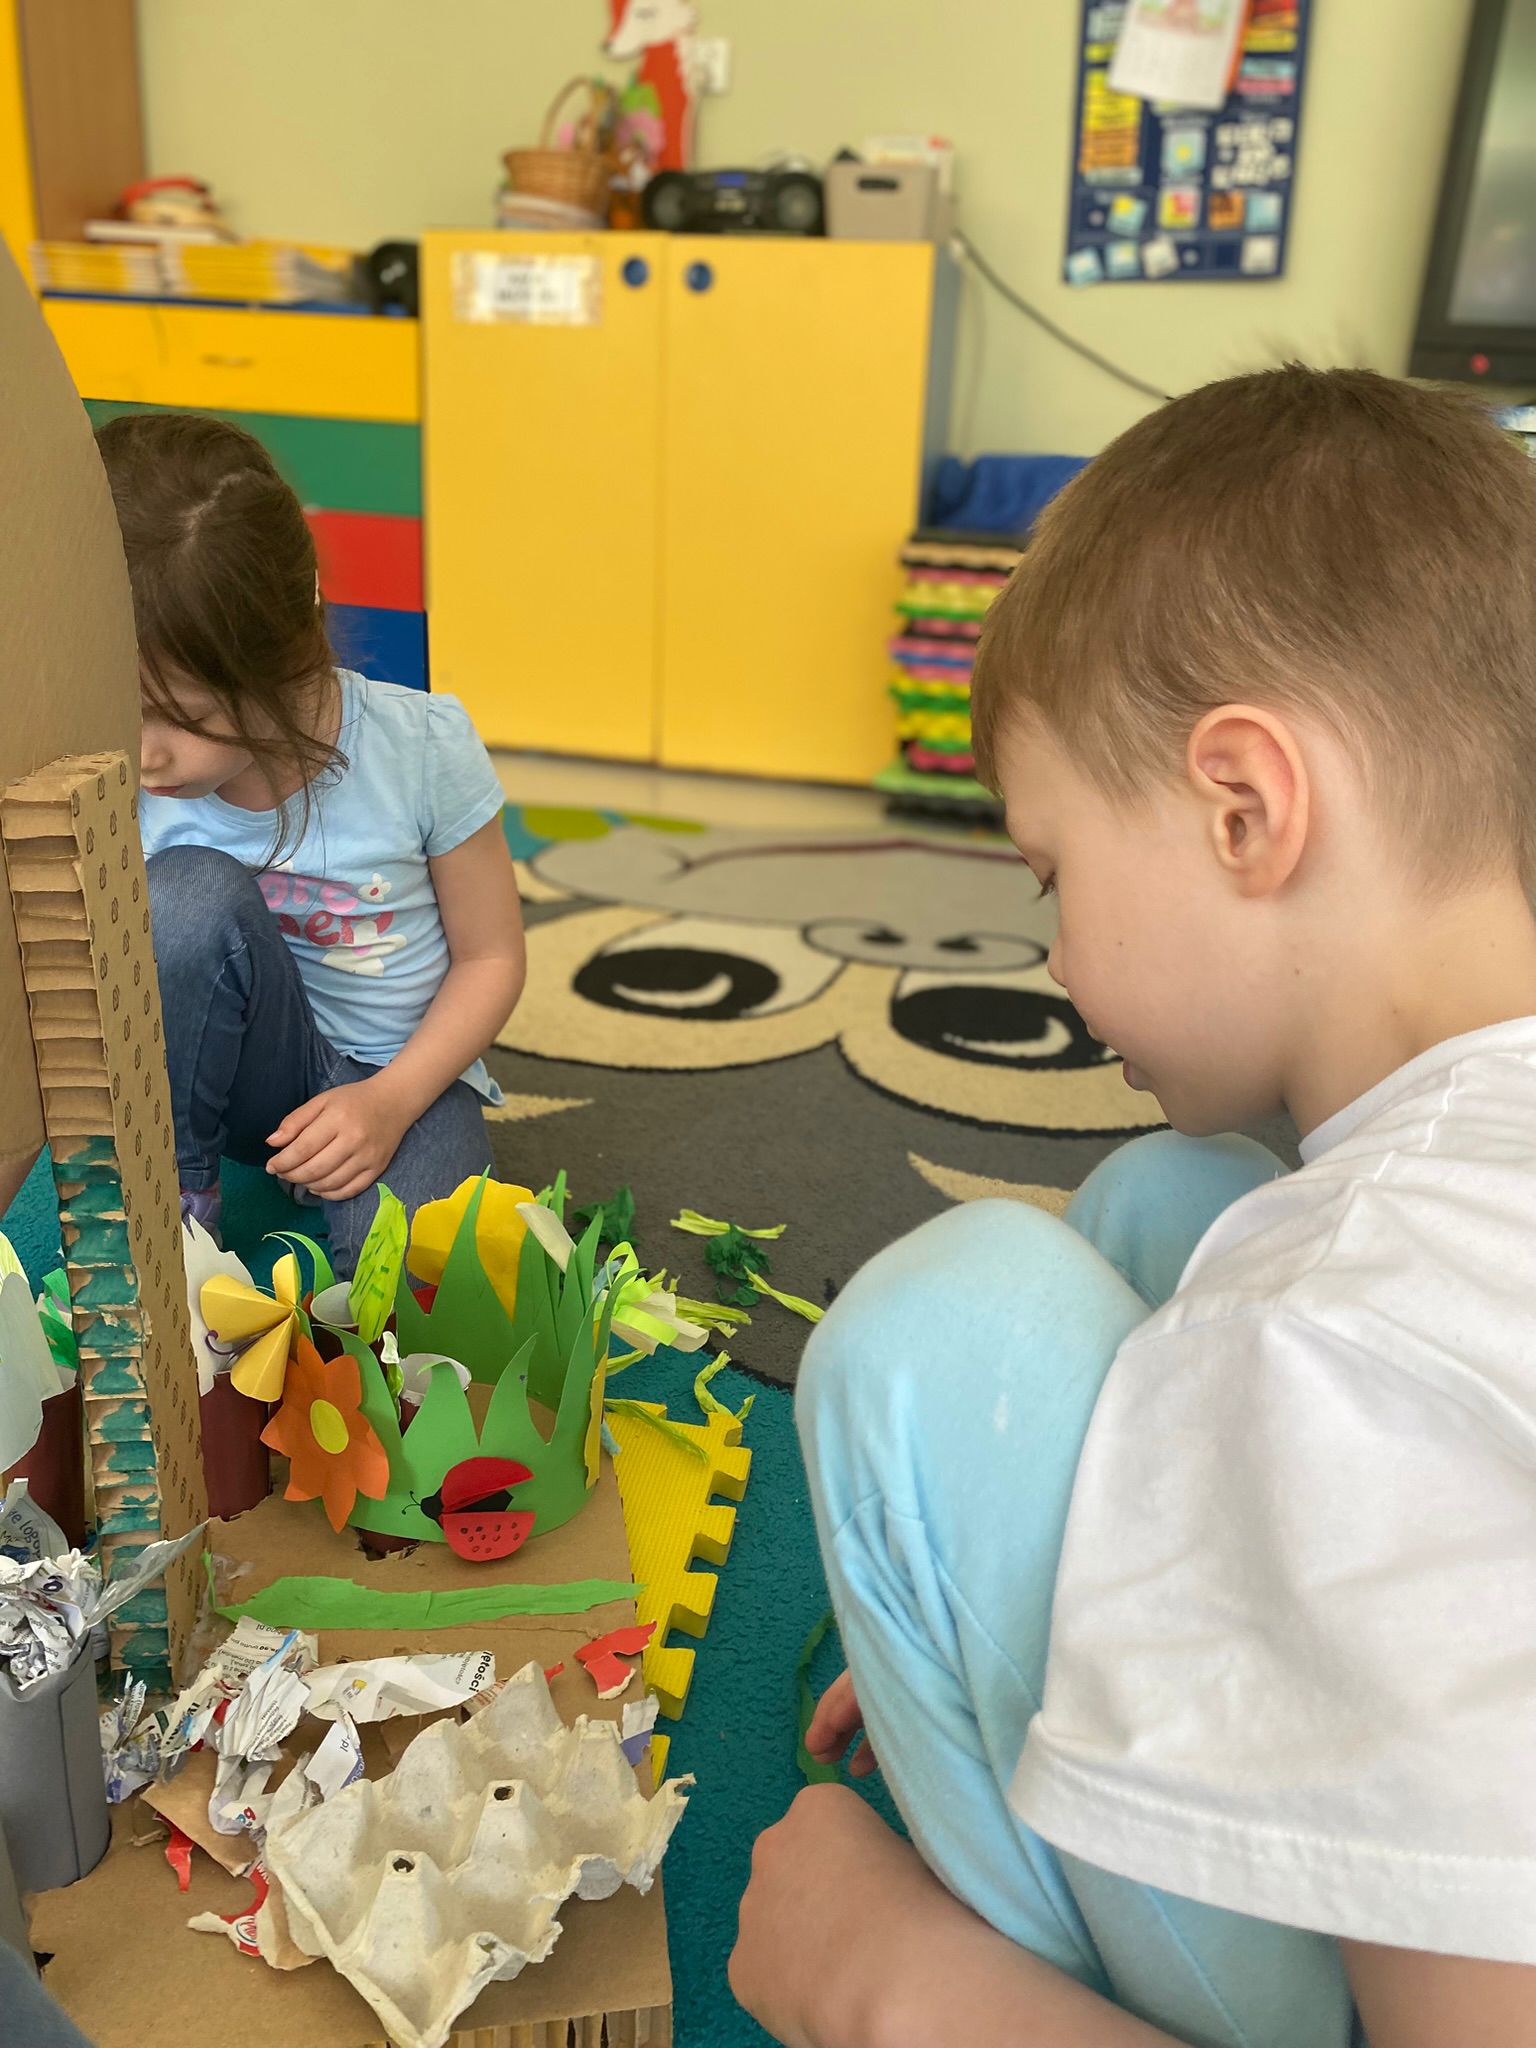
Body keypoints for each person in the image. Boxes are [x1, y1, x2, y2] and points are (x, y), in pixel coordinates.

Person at [731, 366, 1536, 2048]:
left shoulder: (1344, 1328)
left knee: (947, 1324)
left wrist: (898, 1988)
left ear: (1245, 807)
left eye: (1055, 874)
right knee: (1177, 1201)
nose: (1053, 956)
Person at [98, 413, 525, 1273]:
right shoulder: (118, 770)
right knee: (179, 899)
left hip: (400, 1074)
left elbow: (492, 959)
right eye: (116, 703)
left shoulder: (420, 747)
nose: (145, 754)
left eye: (182, 719)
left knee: (415, 1284)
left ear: (286, 657)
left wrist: (389, 1103)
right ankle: (176, 1201)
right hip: (239, 1079)